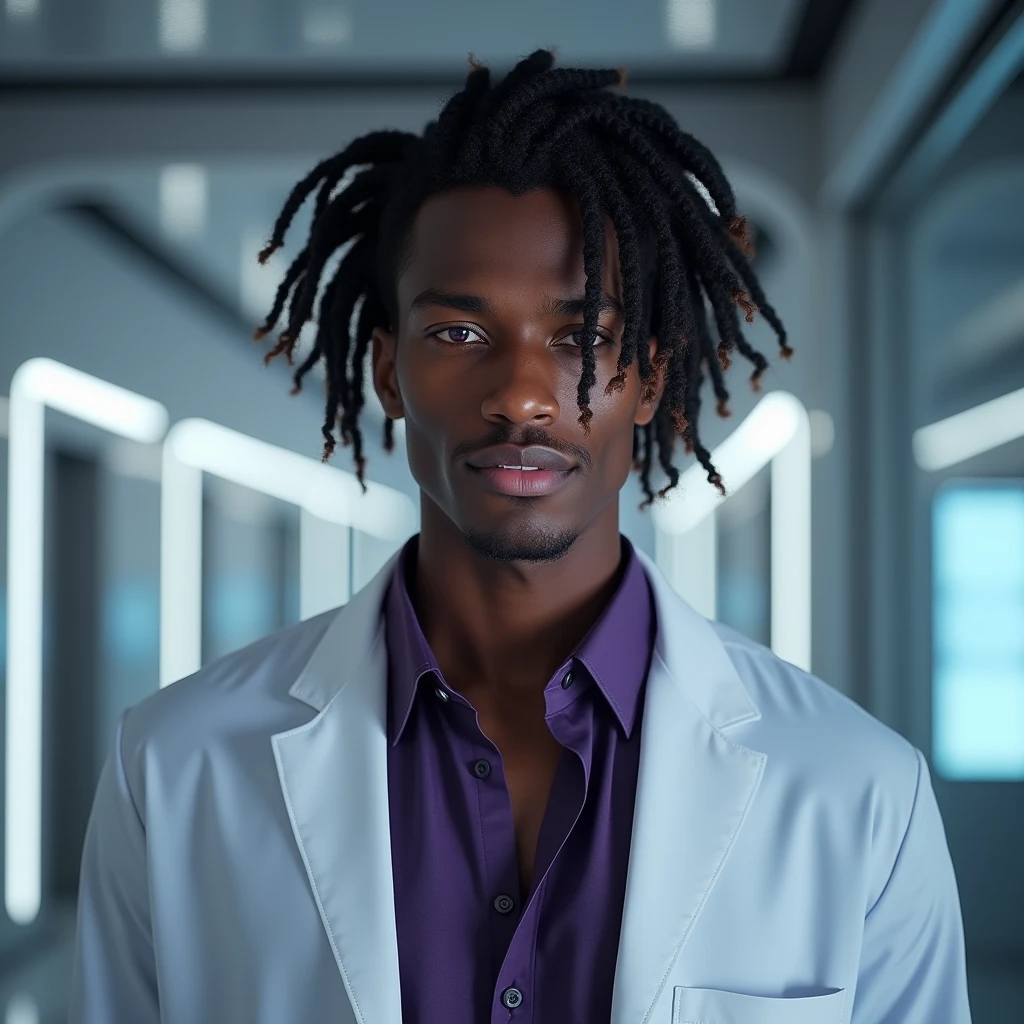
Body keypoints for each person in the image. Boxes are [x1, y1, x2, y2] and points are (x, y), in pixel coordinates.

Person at [69, 49, 971, 1024]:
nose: (521, 396)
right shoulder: (173, 766)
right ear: (387, 370)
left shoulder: (857, 789)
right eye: (459, 334)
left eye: (582, 337)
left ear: (649, 378)